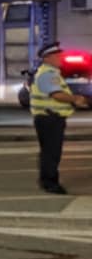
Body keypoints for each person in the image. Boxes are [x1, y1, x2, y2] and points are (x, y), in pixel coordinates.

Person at [29, 40, 89, 194]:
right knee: (51, 153)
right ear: (47, 58)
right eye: (57, 56)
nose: (60, 58)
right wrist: (75, 99)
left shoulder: (50, 73)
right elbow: (57, 95)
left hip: (49, 118)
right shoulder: (48, 74)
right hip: (50, 119)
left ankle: (47, 181)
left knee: (49, 152)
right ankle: (50, 183)